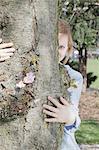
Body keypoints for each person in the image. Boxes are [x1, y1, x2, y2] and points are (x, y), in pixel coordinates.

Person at [43, 19, 83, 150]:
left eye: (61, 47)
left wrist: (69, 117)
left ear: (68, 49)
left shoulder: (74, 77)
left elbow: (74, 114)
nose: (55, 51)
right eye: (51, 44)